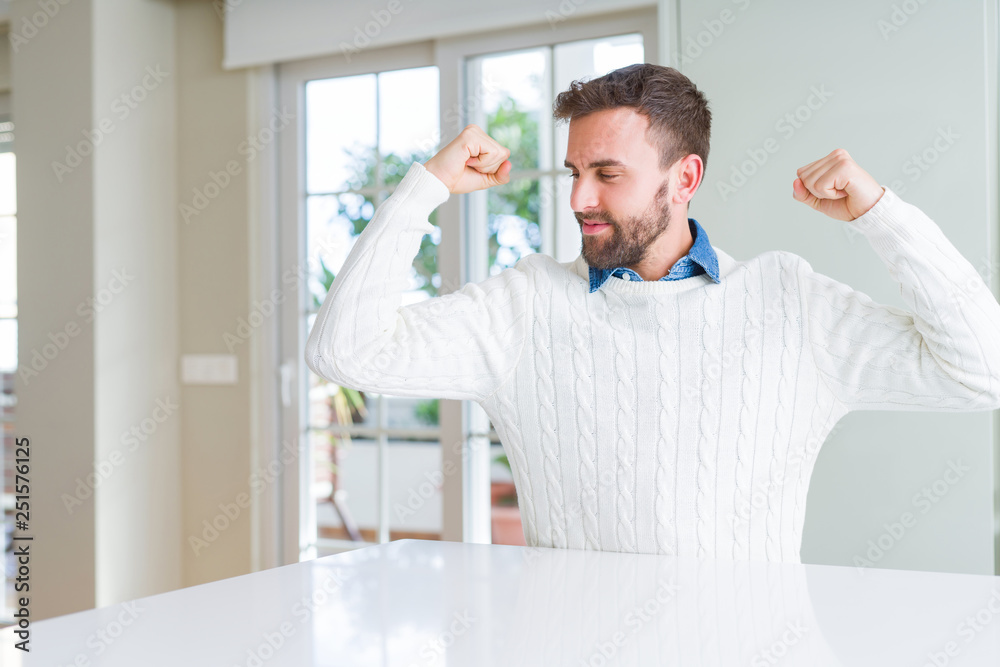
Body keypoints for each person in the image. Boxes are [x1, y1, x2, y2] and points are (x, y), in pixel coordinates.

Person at [305, 63, 1000, 563]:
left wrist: (882, 217)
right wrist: (421, 191)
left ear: (684, 179)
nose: (578, 197)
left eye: (607, 174)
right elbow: (346, 352)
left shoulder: (789, 301)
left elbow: (983, 373)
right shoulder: (523, 305)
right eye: (575, 171)